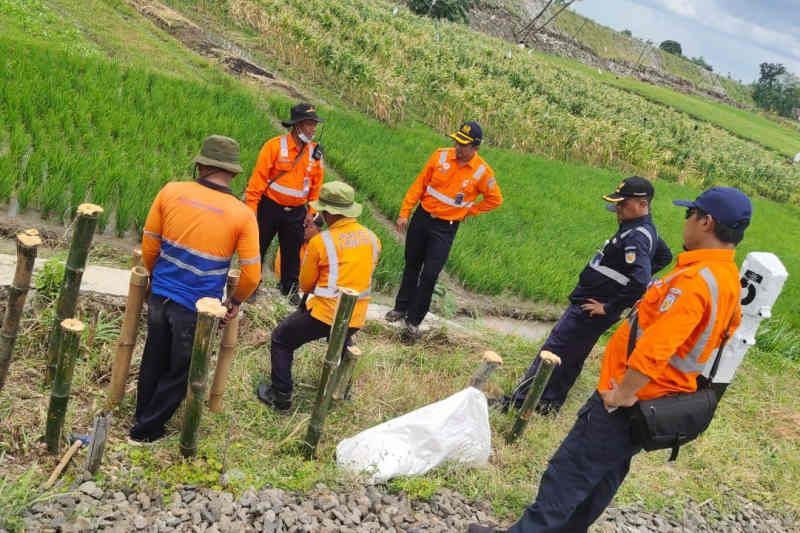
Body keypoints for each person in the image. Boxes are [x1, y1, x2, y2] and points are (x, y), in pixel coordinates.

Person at [469, 186, 751, 533]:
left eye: (689, 214)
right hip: (657, 403)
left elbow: (656, 347)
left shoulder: (695, 281)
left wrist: (622, 394)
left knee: (568, 475)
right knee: (600, 479)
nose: (686, 221)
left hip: (628, 399)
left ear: (706, 222)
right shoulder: (726, 280)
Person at [502, 176, 672, 415]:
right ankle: (549, 404)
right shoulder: (644, 230)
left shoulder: (636, 235)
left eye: (623, 204)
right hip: (592, 306)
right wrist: (621, 280)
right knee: (571, 356)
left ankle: (519, 402)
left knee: (554, 350)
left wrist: (611, 306)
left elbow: (641, 279)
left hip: (591, 307)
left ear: (642, 203)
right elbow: (664, 256)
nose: (618, 210)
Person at [131, 135, 261, 443]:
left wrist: (152, 280)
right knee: (182, 369)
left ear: (200, 165)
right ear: (232, 173)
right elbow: (252, 274)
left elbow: (150, 243)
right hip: (198, 308)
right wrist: (234, 301)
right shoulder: (241, 214)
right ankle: (145, 430)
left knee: (154, 355)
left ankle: (141, 415)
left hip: (162, 294)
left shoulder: (171, 191)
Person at [256, 182, 381, 412]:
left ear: (330, 212)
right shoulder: (372, 238)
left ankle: (281, 396)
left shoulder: (321, 242)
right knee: (342, 342)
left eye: (323, 209)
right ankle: (342, 391)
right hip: (356, 316)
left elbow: (305, 284)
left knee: (282, 340)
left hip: (325, 314)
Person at [384, 121, 502, 341]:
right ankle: (401, 308)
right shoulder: (440, 156)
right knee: (411, 265)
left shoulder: (482, 172)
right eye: (457, 142)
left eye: (464, 145)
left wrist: (470, 211)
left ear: (475, 147)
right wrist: (404, 212)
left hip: (445, 228)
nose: (458, 147)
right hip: (422, 217)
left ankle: (413, 320)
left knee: (429, 274)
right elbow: (419, 184)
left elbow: (495, 199)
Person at [245, 103, 324, 301]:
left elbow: (316, 187)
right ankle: (252, 285)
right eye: (309, 124)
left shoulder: (315, 154)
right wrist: (251, 211)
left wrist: (311, 212)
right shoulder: (274, 146)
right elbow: (258, 181)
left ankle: (289, 288)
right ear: (297, 126)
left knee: (292, 250)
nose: (313, 129)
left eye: (315, 124)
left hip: (297, 210)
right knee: (258, 247)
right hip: (269, 206)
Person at [273, 214, 323, 280]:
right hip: (290, 283)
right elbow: (280, 270)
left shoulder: (323, 246)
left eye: (307, 226)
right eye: (302, 225)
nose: (303, 229)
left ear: (319, 230)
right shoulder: (292, 241)